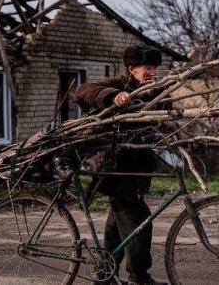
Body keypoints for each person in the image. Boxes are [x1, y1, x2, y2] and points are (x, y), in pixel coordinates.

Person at [73, 45, 168, 285]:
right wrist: (112, 97)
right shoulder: (121, 84)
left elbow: (164, 118)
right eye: (148, 68)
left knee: (117, 227)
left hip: (134, 171)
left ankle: (104, 276)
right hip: (115, 168)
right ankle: (139, 277)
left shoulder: (152, 91)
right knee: (139, 222)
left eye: (155, 68)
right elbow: (83, 90)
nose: (152, 72)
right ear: (132, 69)